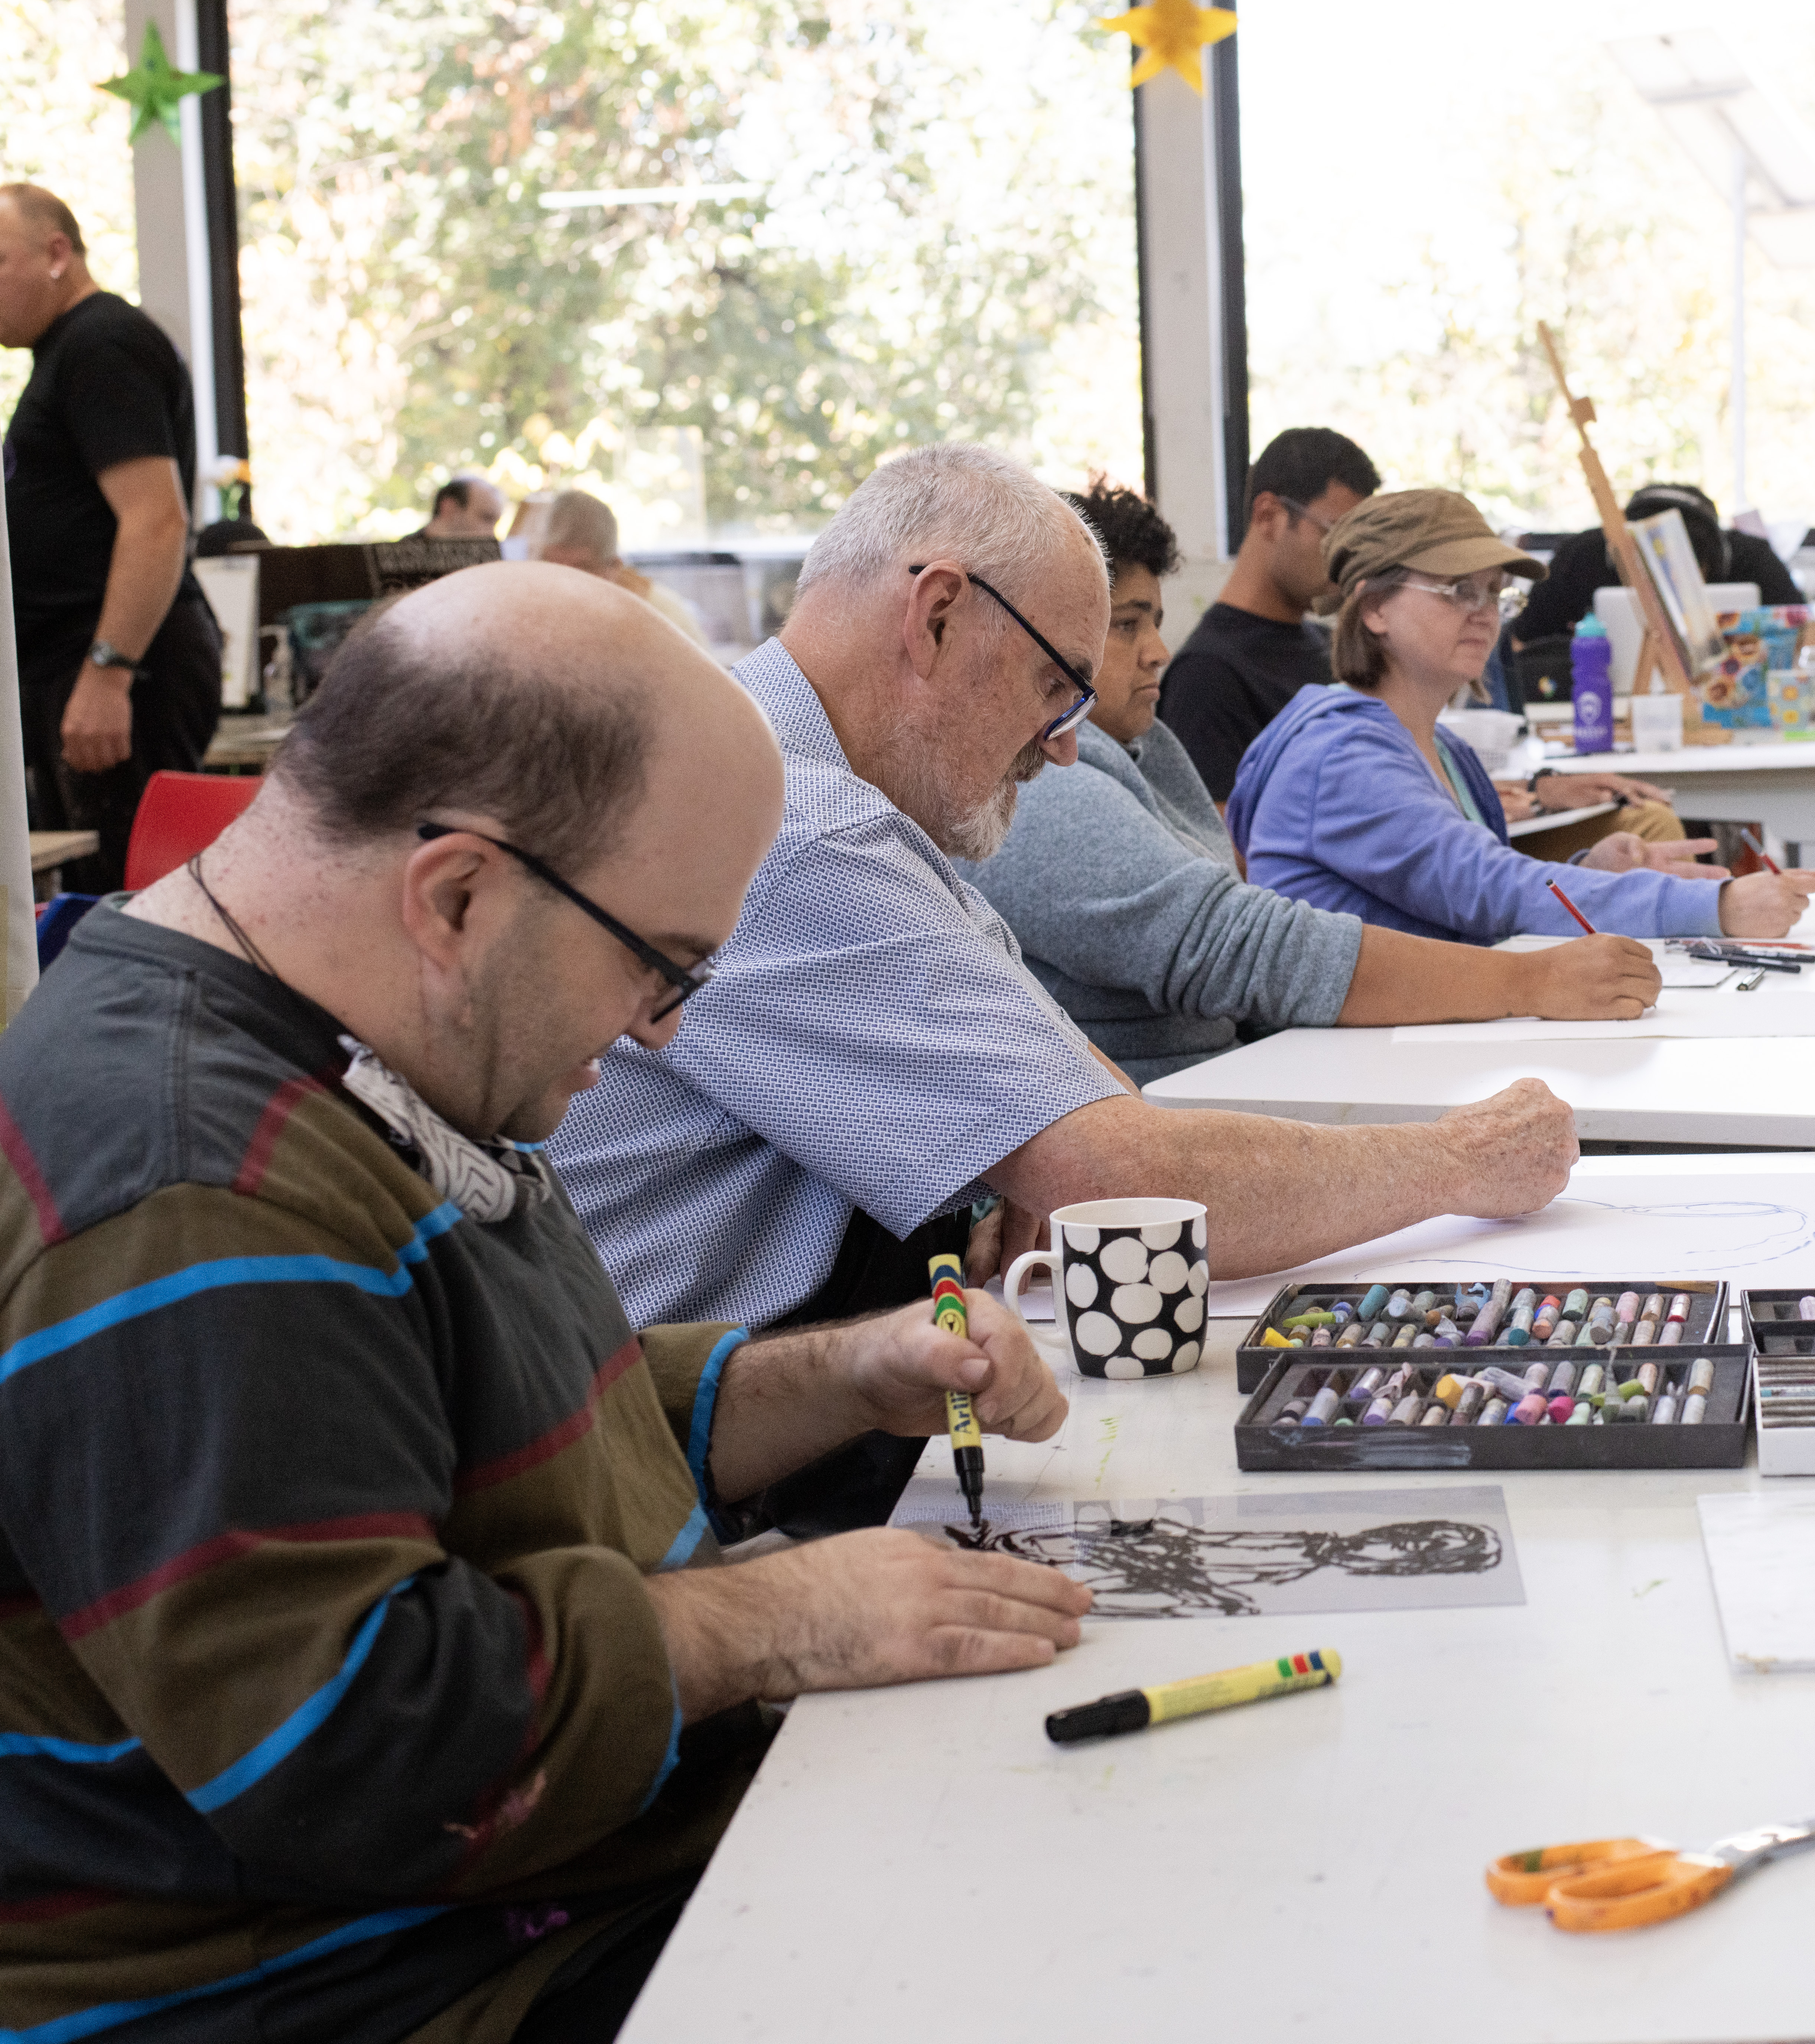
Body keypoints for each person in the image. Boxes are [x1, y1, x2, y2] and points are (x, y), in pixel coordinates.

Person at [0, 561, 1094, 2043]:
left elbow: (472, 1415)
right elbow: (359, 1743)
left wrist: (841, 1376)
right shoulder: (195, 1183)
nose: (665, 1030)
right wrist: (779, 1616)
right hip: (380, 1981)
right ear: (457, 893)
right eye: (661, 967)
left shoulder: (364, 1040)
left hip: (537, 1891)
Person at [551, 445, 1578, 1370]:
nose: (1065, 746)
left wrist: (1044, 1165)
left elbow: (1088, 1108)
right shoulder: (801, 828)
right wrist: (1461, 1160)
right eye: (1056, 686)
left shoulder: (836, 797)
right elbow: (1132, 1183)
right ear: (937, 616)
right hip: (691, 1446)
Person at [965, 481, 1661, 1082]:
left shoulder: (1145, 747)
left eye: (1155, 622)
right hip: (1169, 1116)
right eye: (1125, 626)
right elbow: (1233, 945)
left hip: (1234, 1082)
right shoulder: (1038, 784)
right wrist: (1531, 981)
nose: (1159, 652)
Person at [1228, 488, 1815, 943]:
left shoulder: (1445, 750)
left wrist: (1593, 870)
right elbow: (1487, 891)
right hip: (1355, 1056)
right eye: (1458, 590)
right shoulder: (1341, 755)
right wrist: (1714, 908)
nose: (1485, 613)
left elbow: (1460, 899)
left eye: (1494, 593)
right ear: (1374, 607)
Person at [0, 181, 223, 896]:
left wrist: (108, 673)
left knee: (130, 903)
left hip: (122, 669)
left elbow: (156, 519)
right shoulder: (68, 351)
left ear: (55, 253)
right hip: (78, 665)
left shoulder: (102, 343)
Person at [1159, 426, 1380, 800]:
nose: (1349, 559)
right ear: (1268, 516)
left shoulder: (1331, 646)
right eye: (1336, 534)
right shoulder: (1208, 676)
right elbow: (1217, 833)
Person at [1507, 482, 1804, 649]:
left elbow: (1810, 639)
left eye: (1684, 572)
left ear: (1712, 563)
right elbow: (1519, 644)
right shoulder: (1582, 556)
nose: (1670, 582)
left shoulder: (1752, 559)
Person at [532, 487, 712, 650]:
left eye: (581, 572)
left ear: (613, 568)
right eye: (553, 570)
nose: (565, 587)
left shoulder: (664, 621)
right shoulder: (536, 613)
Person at [410, 469, 508, 540]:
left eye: (495, 524)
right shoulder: (404, 557)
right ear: (450, 508)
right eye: (486, 518)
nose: (492, 535)